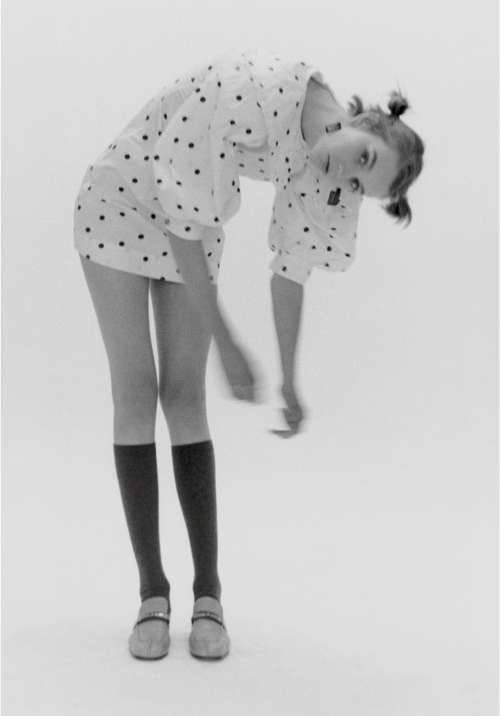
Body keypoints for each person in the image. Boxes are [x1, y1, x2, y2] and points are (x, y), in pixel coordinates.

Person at [74, 45, 424, 661]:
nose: (345, 178)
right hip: (120, 200)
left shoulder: (329, 169)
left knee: (184, 397)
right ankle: (152, 593)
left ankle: (208, 594)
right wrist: (229, 344)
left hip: (194, 219)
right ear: (364, 120)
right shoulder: (257, 93)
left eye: (358, 185)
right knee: (136, 391)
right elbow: (181, 221)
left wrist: (289, 380)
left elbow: (292, 270)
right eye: (363, 158)